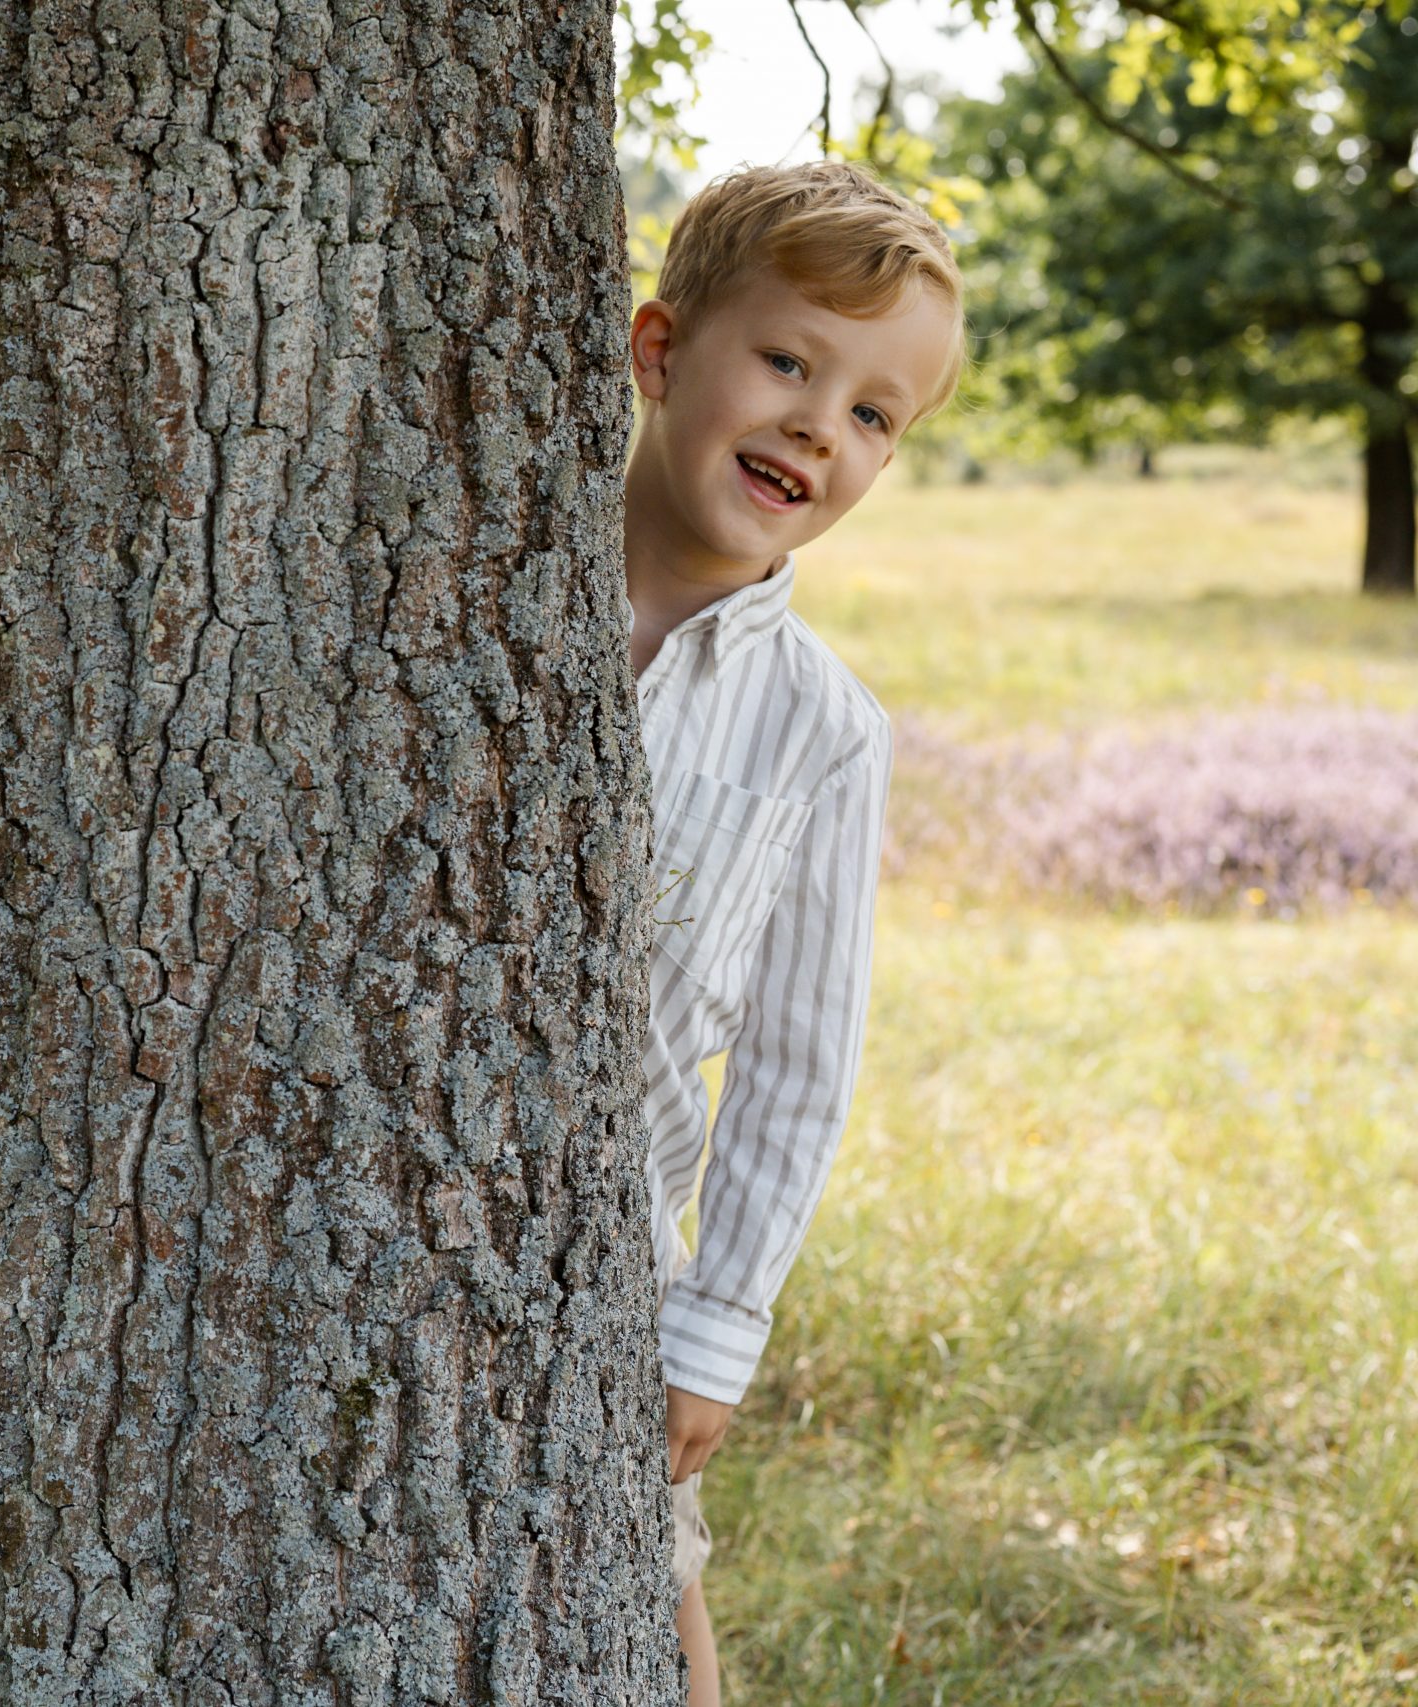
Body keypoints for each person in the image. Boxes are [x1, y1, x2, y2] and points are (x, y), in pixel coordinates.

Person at [618, 160, 965, 1706]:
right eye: (788, 361)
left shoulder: (825, 731)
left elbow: (797, 1065)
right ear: (660, 349)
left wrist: (717, 1326)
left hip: (600, 1254)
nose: (824, 424)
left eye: (877, 413)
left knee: (652, 1581)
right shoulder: (468, 588)